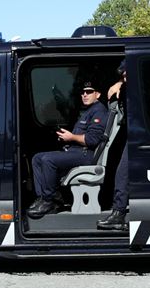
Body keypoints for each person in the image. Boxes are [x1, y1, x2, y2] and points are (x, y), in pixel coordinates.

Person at [28, 81, 108, 219]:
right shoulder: (88, 111)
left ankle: (51, 200)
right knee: (37, 158)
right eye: (83, 92)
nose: (85, 94)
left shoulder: (99, 111)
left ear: (98, 94)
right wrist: (67, 138)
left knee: (48, 160)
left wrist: (71, 137)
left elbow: (92, 140)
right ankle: (42, 197)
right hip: (76, 151)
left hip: (86, 154)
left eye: (89, 92)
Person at [98, 60, 128, 230]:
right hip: (132, 136)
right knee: (119, 171)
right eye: (122, 76)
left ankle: (119, 213)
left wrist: (120, 85)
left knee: (122, 174)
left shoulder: (139, 88)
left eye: (126, 74)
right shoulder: (124, 88)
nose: (124, 78)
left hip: (139, 137)